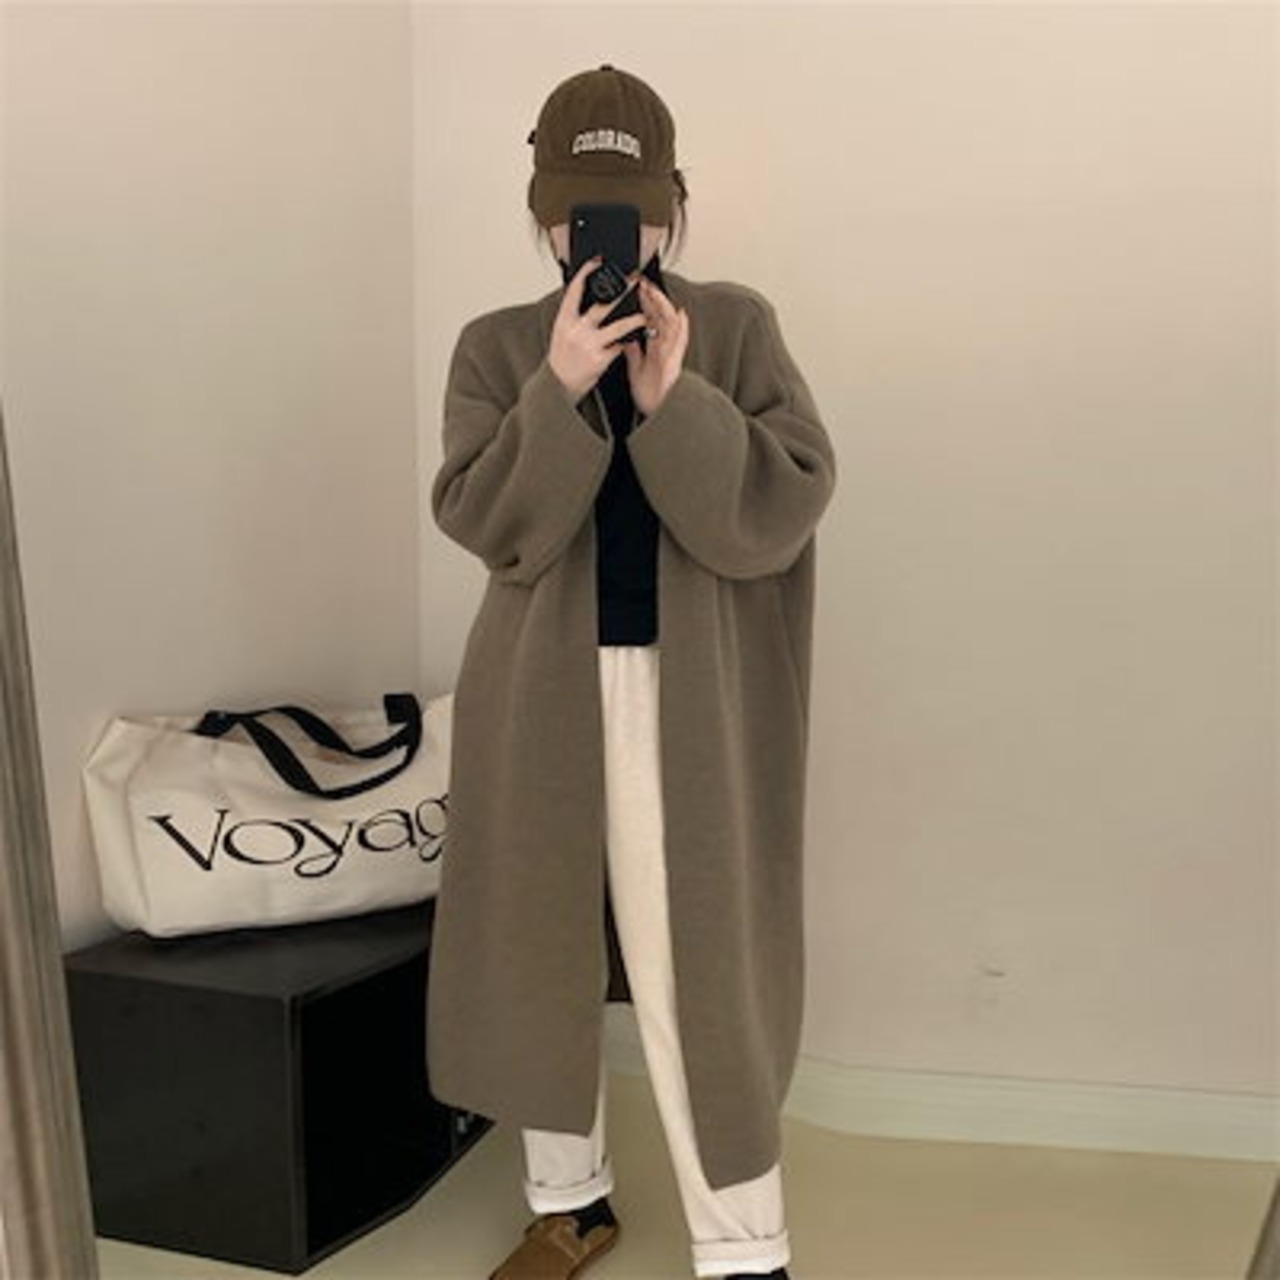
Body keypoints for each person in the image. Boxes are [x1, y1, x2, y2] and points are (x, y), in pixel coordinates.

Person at [425, 64, 837, 1280]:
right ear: (541, 215)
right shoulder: (499, 346)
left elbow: (781, 506)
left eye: (629, 213)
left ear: (670, 205)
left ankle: (744, 1246)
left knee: (696, 962)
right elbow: (487, 524)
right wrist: (556, 390)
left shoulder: (734, 328)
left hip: (696, 694)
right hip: (537, 693)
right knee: (536, 945)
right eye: (575, 214)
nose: (603, 238)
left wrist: (672, 401)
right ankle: (568, 1203)